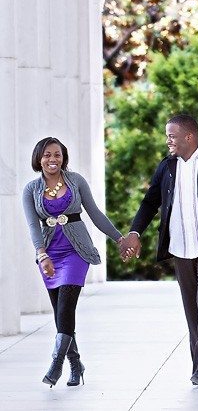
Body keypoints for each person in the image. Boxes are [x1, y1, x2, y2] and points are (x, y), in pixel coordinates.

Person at [121, 114, 198, 386]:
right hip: (180, 247)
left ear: (189, 137)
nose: (168, 140)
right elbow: (150, 202)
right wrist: (134, 232)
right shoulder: (167, 167)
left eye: (172, 136)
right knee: (192, 310)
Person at [22, 137, 125, 387]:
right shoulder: (30, 190)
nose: (52, 159)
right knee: (61, 314)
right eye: (47, 155)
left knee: (67, 307)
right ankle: (76, 363)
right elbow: (32, 225)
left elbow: (95, 213)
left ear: (63, 158)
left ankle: (56, 364)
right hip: (49, 255)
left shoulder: (76, 181)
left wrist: (118, 238)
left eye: (57, 154)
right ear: (38, 158)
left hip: (76, 252)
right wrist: (41, 254)